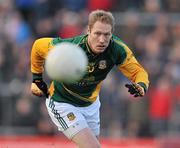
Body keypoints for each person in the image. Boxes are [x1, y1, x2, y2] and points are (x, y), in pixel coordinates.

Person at [31, 9, 149, 148]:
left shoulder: (117, 49)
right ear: (88, 31)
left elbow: (138, 71)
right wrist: (37, 79)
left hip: (90, 105)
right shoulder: (71, 47)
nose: (102, 40)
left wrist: (141, 85)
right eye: (97, 33)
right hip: (63, 102)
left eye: (106, 34)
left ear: (112, 33)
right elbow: (38, 46)